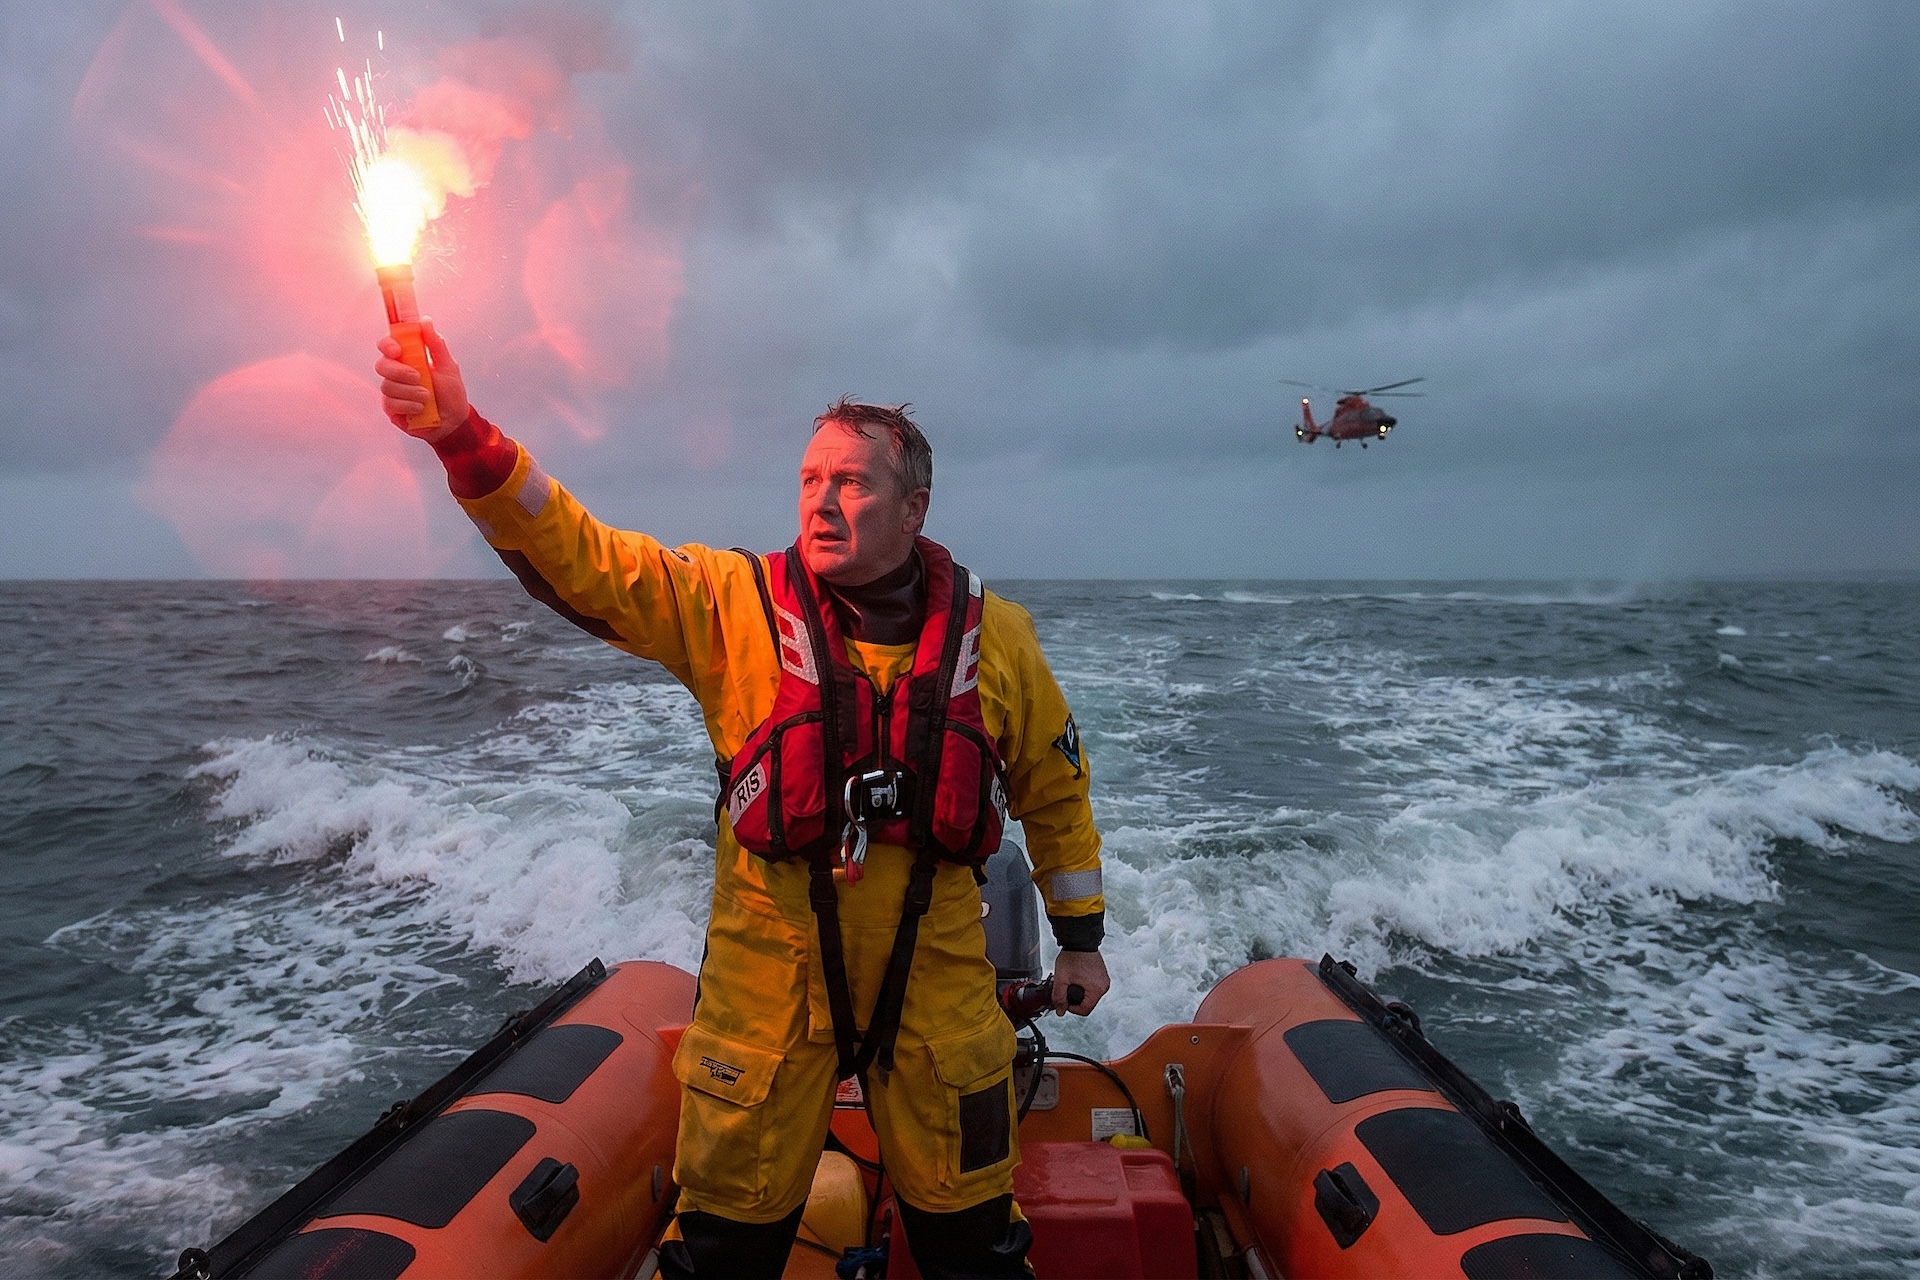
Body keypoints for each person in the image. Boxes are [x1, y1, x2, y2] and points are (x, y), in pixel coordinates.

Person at [375, 323, 1111, 1279]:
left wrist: (1082, 938)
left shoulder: (999, 641)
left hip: (939, 994)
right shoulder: (730, 605)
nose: (824, 500)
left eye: (852, 481)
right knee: (722, 1253)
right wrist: (461, 435)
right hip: (765, 1004)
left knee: (973, 1250)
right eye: (810, 480)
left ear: (913, 506)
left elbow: (1056, 792)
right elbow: (586, 558)